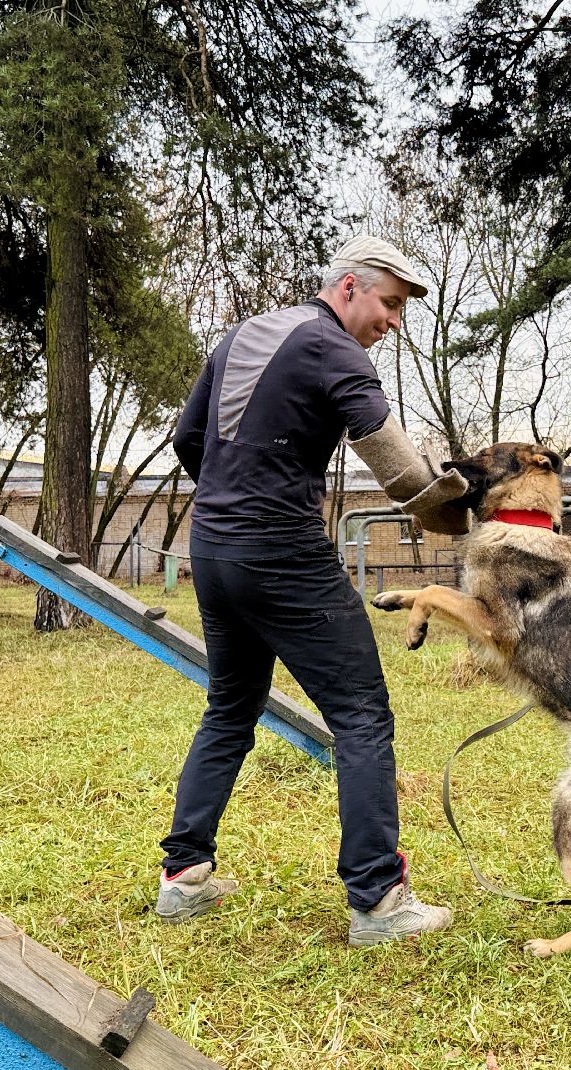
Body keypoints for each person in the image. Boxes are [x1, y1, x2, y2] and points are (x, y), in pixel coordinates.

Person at [157, 236, 469, 945]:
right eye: (389, 304)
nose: (393, 322)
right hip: (280, 551)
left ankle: (182, 878)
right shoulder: (334, 350)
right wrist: (455, 509)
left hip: (212, 548)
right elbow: (393, 463)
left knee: (231, 707)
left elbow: (188, 440)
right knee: (361, 712)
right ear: (350, 286)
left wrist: (234, 494)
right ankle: (378, 899)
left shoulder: (246, 332)